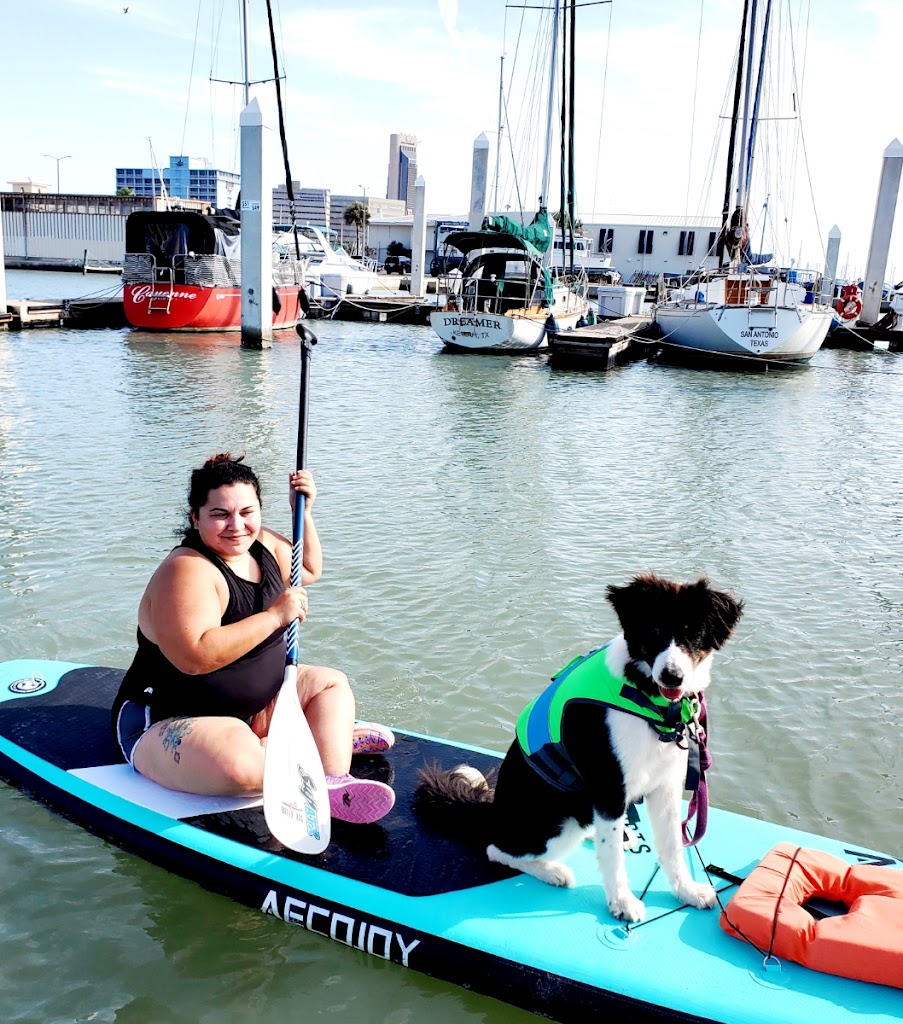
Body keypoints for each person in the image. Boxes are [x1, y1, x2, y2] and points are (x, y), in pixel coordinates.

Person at [111, 453, 395, 825]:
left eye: (247, 512)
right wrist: (275, 616)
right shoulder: (186, 570)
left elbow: (308, 569)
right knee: (241, 767)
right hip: (170, 721)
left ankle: (331, 775)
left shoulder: (263, 544)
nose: (237, 525)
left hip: (256, 711)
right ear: (195, 517)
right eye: (220, 514)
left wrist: (303, 512)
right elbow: (193, 657)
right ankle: (316, 744)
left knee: (330, 685)